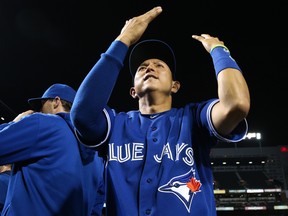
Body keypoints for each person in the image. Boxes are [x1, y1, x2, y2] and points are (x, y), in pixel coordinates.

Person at [70, 6, 250, 216]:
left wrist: (219, 50)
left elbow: (236, 104)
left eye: (159, 65)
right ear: (133, 91)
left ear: (175, 86)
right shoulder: (116, 124)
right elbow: (82, 115)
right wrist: (124, 39)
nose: (149, 67)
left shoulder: (193, 119)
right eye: (142, 67)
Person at [0, 83, 105, 216]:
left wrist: (14, 123)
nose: (39, 111)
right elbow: (96, 209)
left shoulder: (44, 123)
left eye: (42, 105)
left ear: (56, 102)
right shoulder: (96, 155)